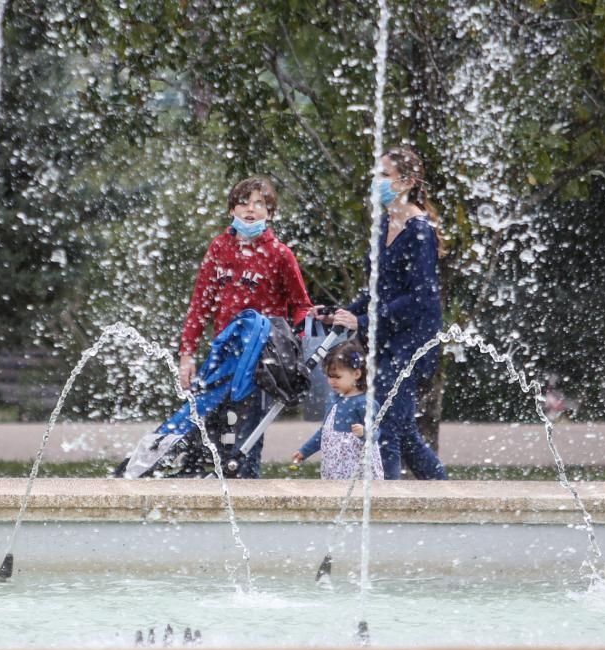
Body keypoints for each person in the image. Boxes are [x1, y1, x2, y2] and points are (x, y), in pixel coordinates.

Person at [315, 147, 448, 480]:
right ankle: (441, 491)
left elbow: (418, 299)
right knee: (400, 430)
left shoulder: (420, 231)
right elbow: (378, 289)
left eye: (384, 175)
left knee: (385, 424)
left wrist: (361, 322)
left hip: (414, 340)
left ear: (407, 182)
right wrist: (343, 312)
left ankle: (385, 499)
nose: (377, 181)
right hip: (389, 336)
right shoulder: (384, 224)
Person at [178, 176, 312, 478]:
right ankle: (206, 492)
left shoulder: (280, 254)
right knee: (205, 430)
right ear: (231, 210)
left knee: (247, 439)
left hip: (260, 361)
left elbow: (301, 304)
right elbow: (200, 306)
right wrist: (187, 354)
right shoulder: (219, 248)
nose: (250, 210)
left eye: (259, 204)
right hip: (221, 356)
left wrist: (298, 344)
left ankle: (249, 496)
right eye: (243, 203)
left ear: (270, 212)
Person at [292, 340, 384, 480]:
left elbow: (376, 433)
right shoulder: (333, 398)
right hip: (334, 468)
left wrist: (364, 433)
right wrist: (305, 451)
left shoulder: (364, 402)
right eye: (329, 376)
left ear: (357, 374)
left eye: (337, 377)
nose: (332, 381)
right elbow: (325, 432)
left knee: (355, 499)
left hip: (357, 471)